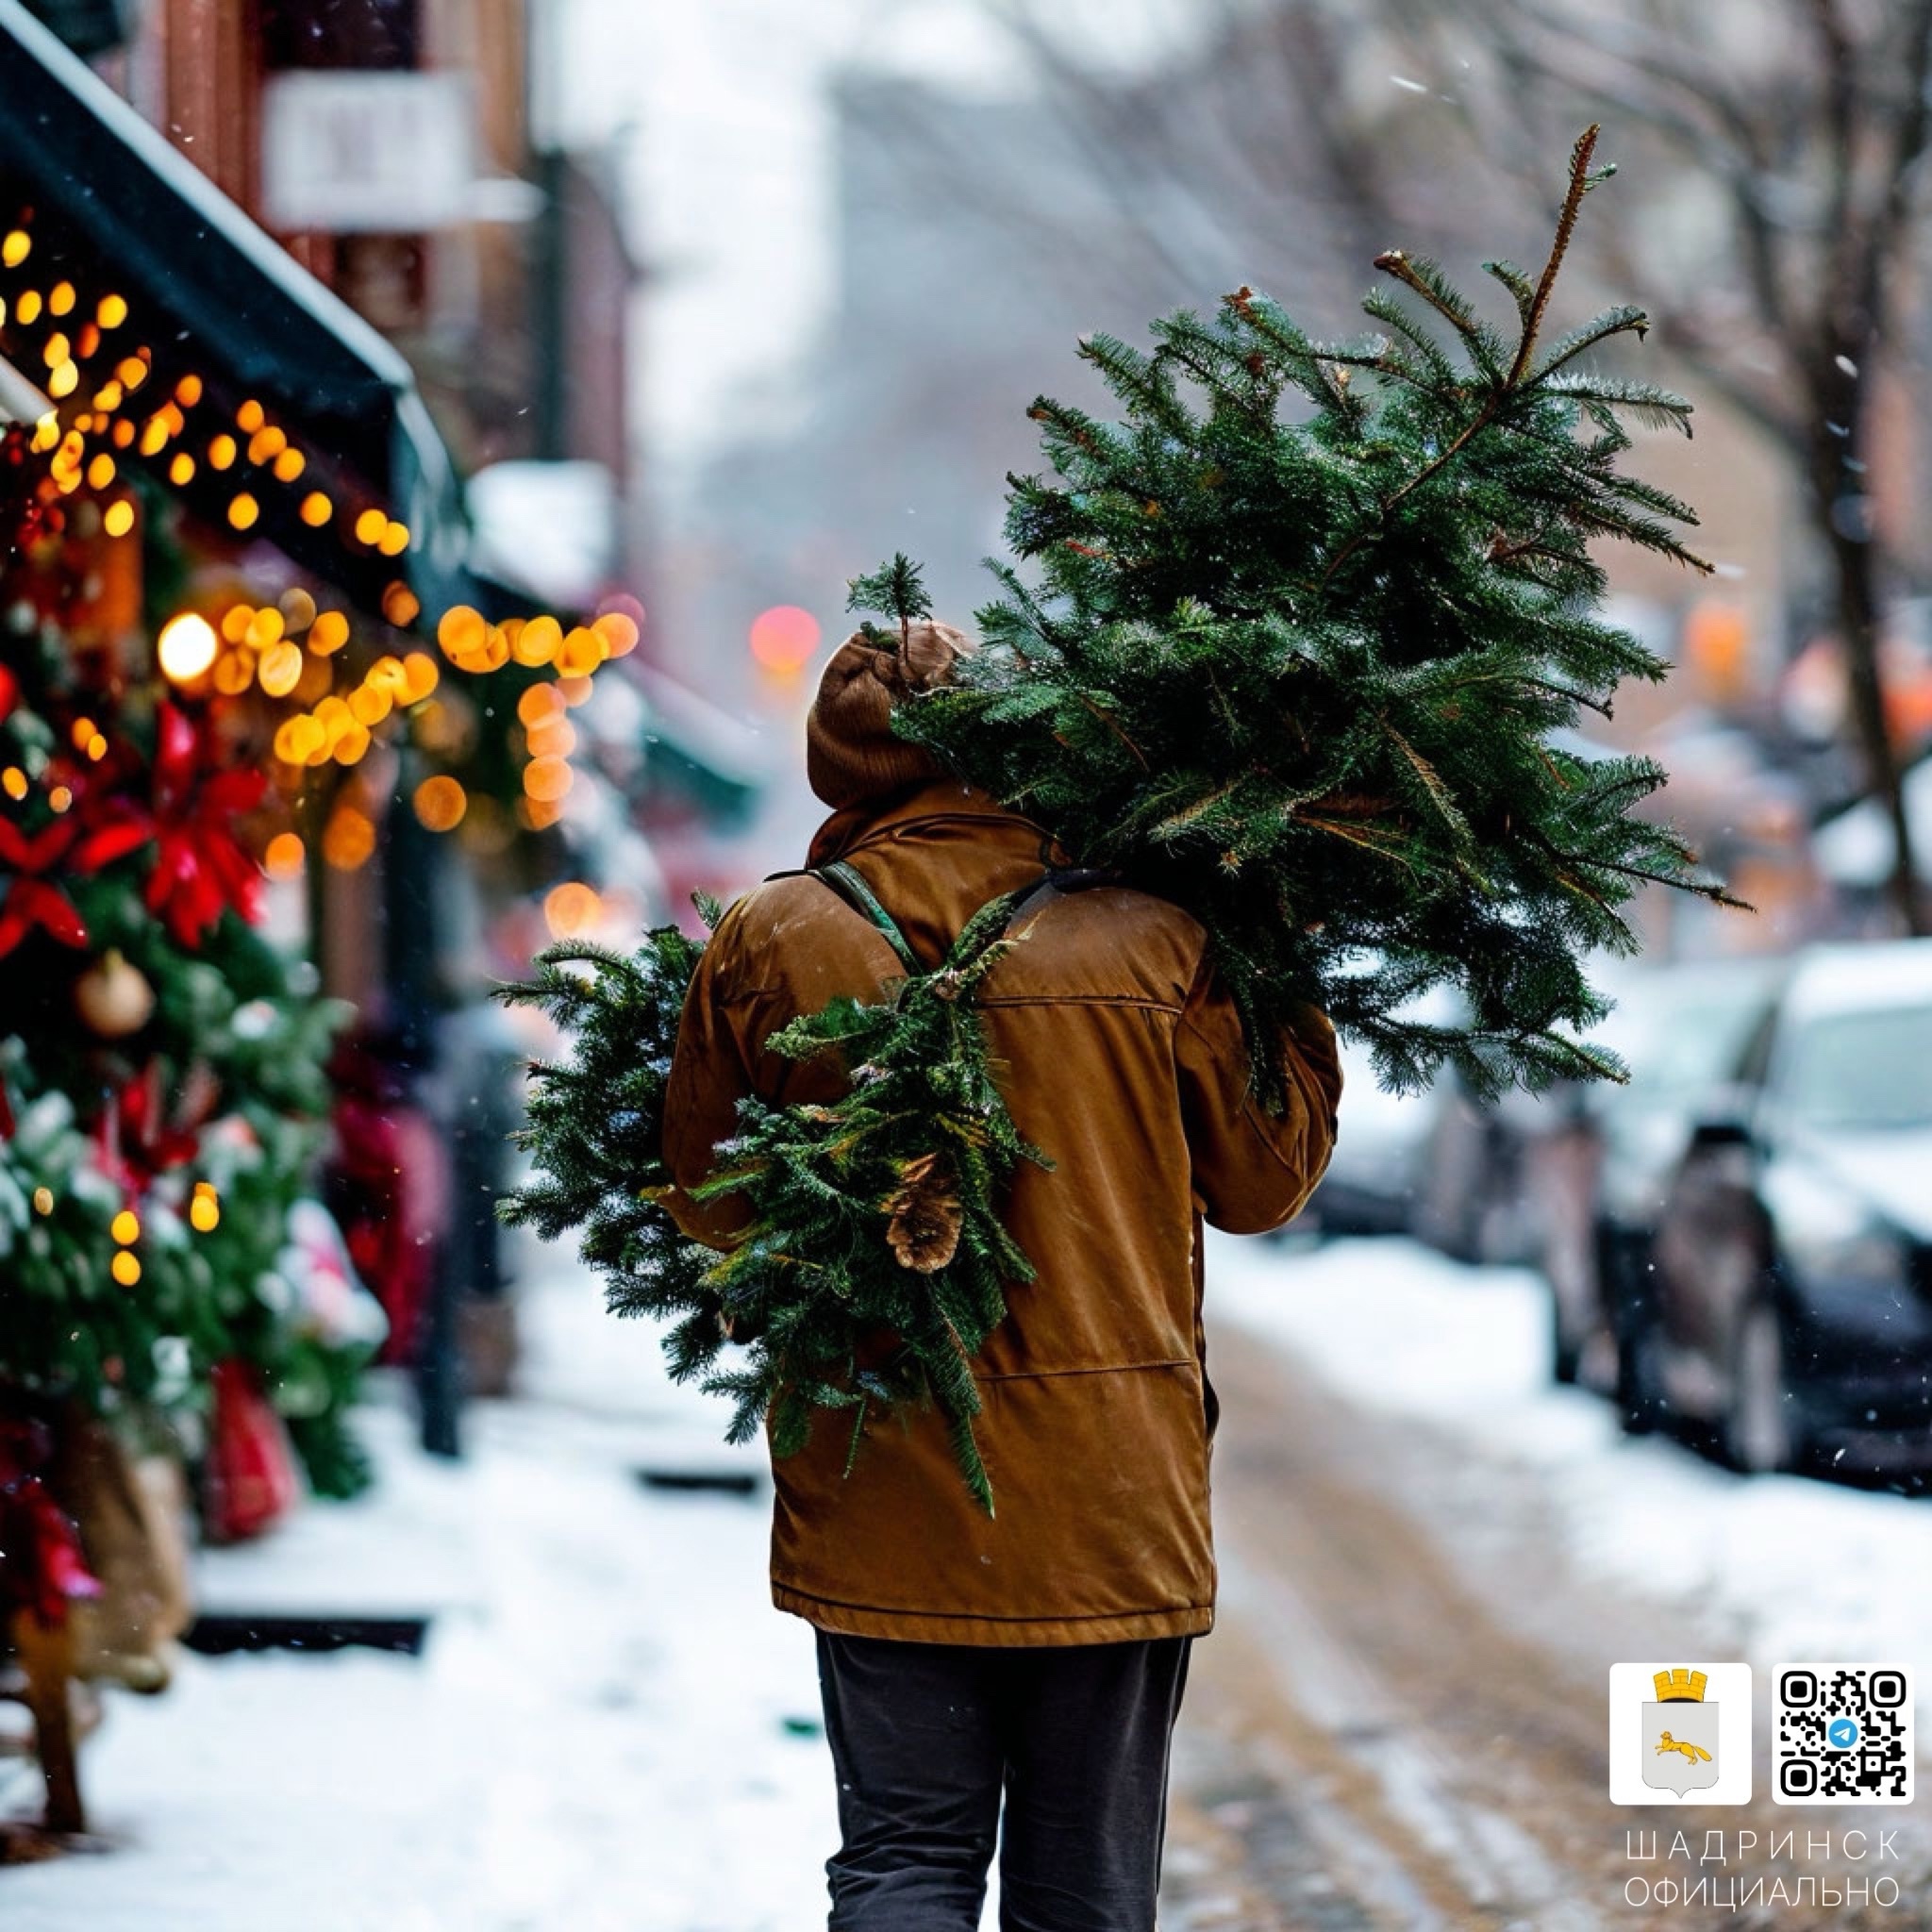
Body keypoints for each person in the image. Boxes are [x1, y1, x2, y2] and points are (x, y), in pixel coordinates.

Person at [660, 618, 1341, 1932]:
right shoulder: (1155, 939)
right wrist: (1284, 975)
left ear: (837, 765)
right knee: (1084, 1889)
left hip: (882, 1469)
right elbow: (1262, 1183)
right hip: (1110, 1495)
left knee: (904, 1860)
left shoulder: (768, 939)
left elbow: (713, 1198)